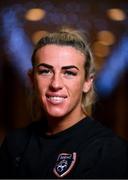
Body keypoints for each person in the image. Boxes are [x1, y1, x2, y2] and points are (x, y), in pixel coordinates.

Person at [0, 27, 128, 179]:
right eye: (45, 71)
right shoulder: (15, 144)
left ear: (87, 83)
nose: (55, 84)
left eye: (69, 73)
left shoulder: (109, 149)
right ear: (31, 80)